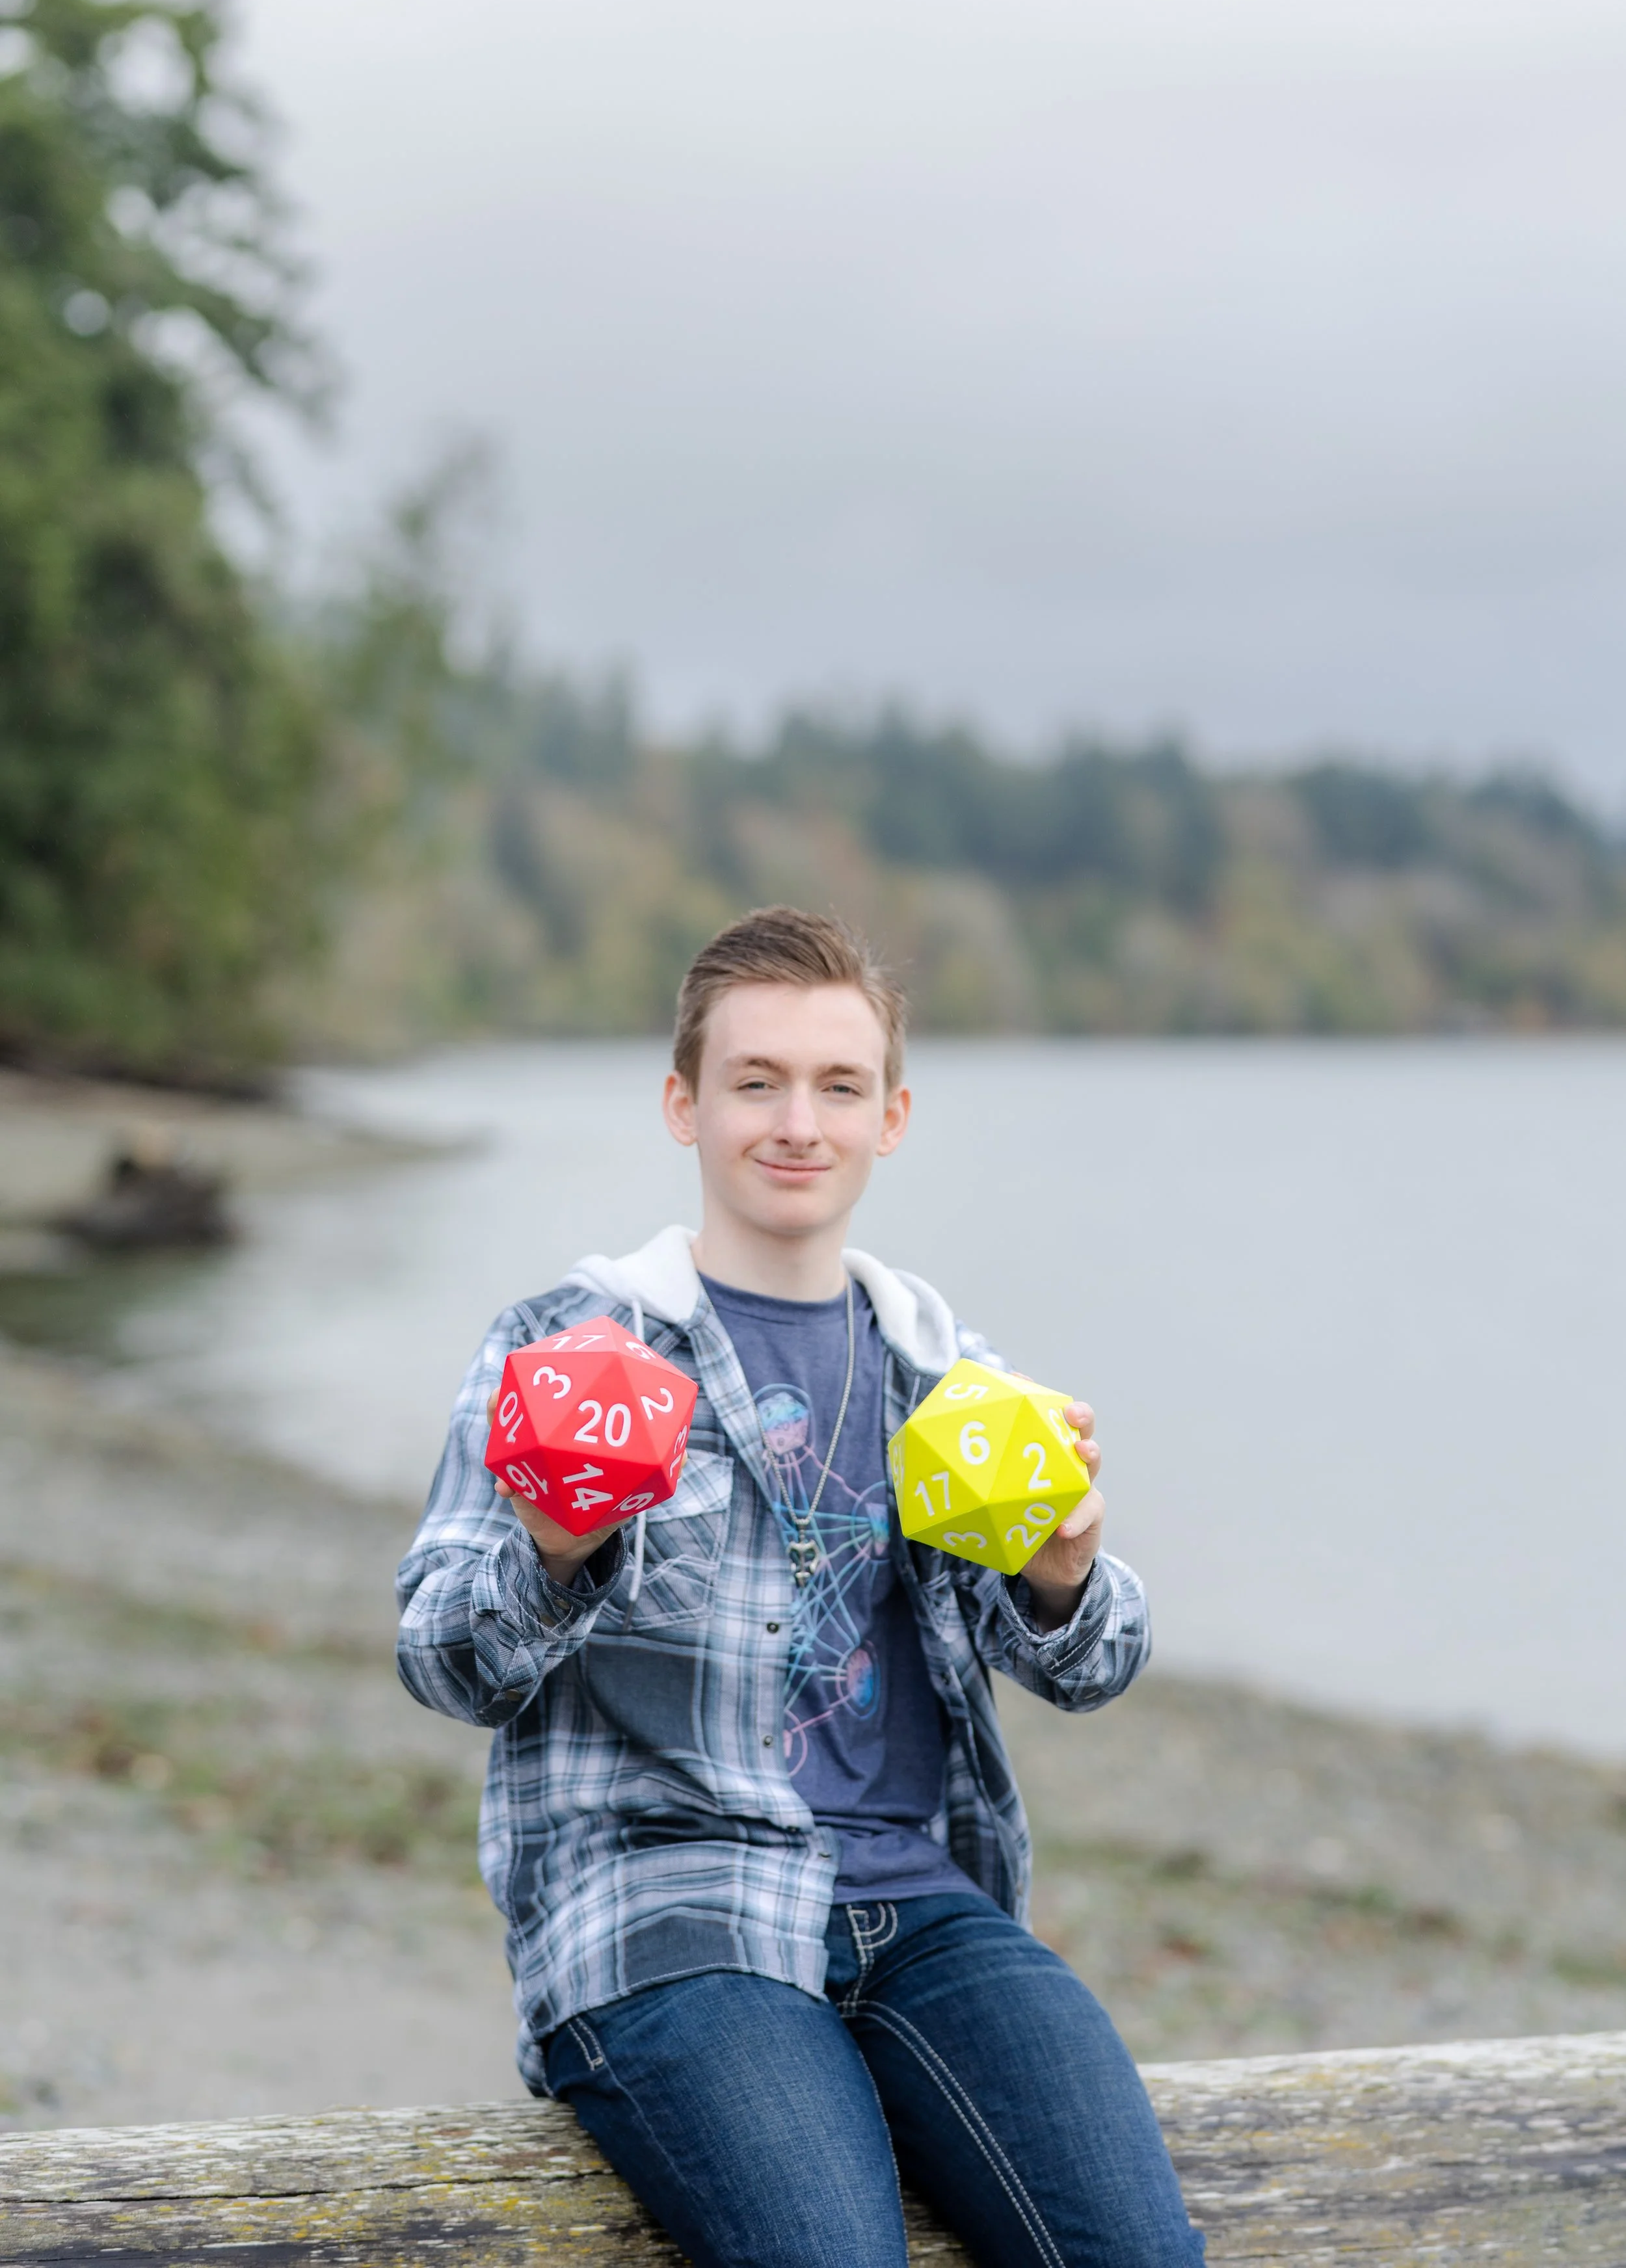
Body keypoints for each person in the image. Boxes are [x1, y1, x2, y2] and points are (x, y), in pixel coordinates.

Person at [397, 906, 1205, 2268]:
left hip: (921, 1906)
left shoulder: (944, 1372)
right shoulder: (571, 1348)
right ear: (683, 1104)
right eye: (754, 1080)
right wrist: (547, 1550)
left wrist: (1068, 1575)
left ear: (890, 1118)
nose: (796, 1121)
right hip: (669, 1909)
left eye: (837, 1086)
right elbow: (440, 1658)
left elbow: (1089, 1666)